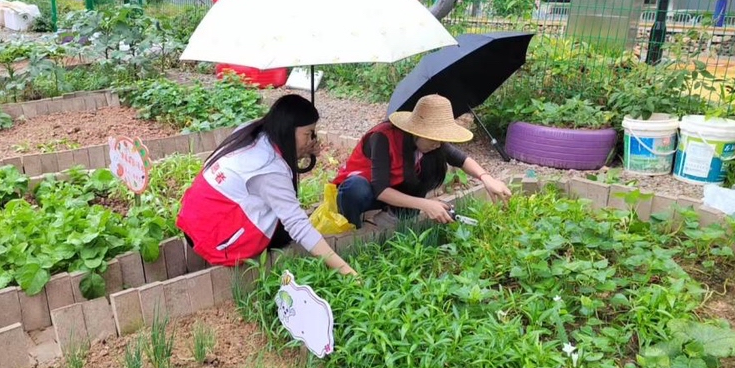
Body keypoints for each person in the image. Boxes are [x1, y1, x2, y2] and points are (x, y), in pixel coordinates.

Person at [177, 94, 357, 276]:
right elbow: (297, 224)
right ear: (288, 129)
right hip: (214, 238)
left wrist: (301, 151)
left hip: (193, 220)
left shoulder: (251, 131)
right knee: (285, 233)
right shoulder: (268, 168)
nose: (311, 139)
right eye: (308, 133)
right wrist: (347, 271)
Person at [333, 94, 511, 228]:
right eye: (432, 139)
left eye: (440, 139)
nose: (437, 144)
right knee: (355, 188)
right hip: (365, 192)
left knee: (431, 164)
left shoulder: (433, 144)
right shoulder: (383, 137)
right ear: (417, 131)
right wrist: (426, 204)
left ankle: (395, 217)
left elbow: (461, 159)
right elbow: (380, 190)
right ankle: (354, 227)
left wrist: (487, 178)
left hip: (392, 192)